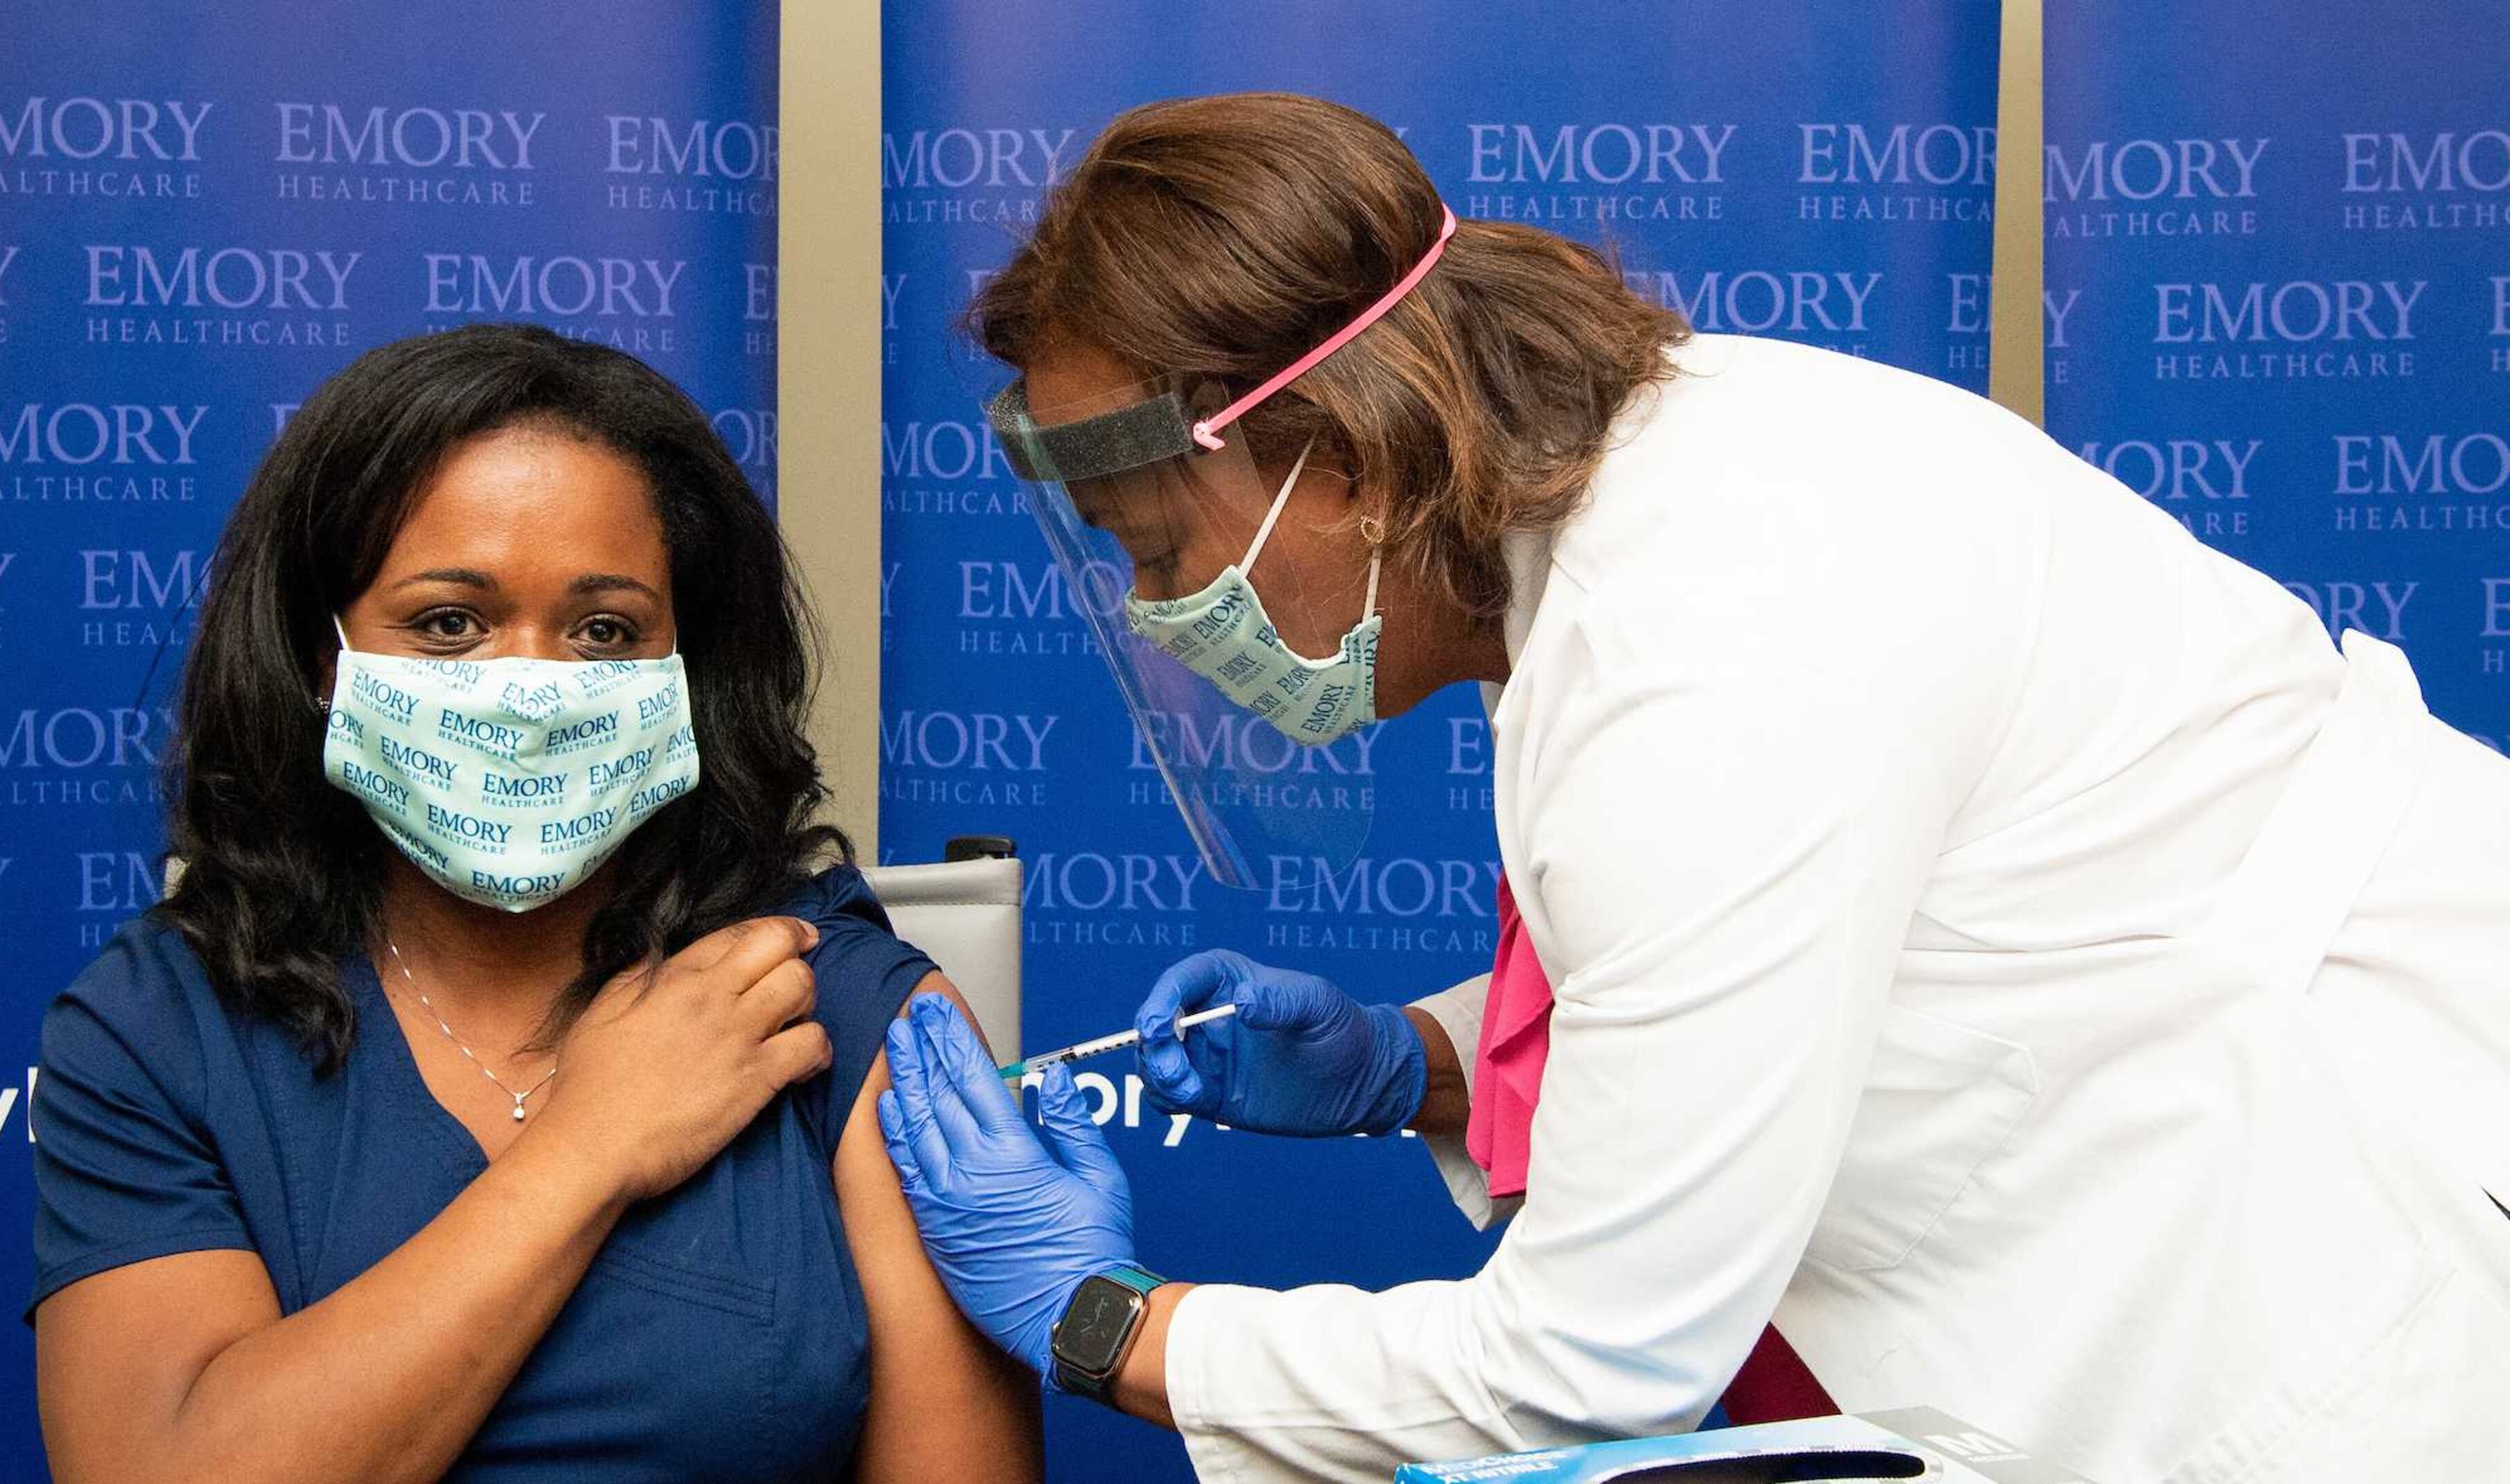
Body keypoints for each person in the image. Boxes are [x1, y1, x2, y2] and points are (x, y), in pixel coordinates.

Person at [874, 93, 2510, 1482]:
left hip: (2324, 1283)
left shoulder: (1715, 643)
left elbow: (1584, 1369)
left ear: (1349, 461)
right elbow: (1805, 951)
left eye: (1164, 551)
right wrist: (1423, 1066)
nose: (1168, 617)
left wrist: (1114, 1328)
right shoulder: (1664, 498)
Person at [28, 324, 1042, 1483]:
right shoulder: (161, 1027)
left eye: (605, 631)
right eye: (449, 623)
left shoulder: (833, 1008)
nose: (530, 691)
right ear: (324, 656)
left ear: (686, 669)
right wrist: (589, 1148)